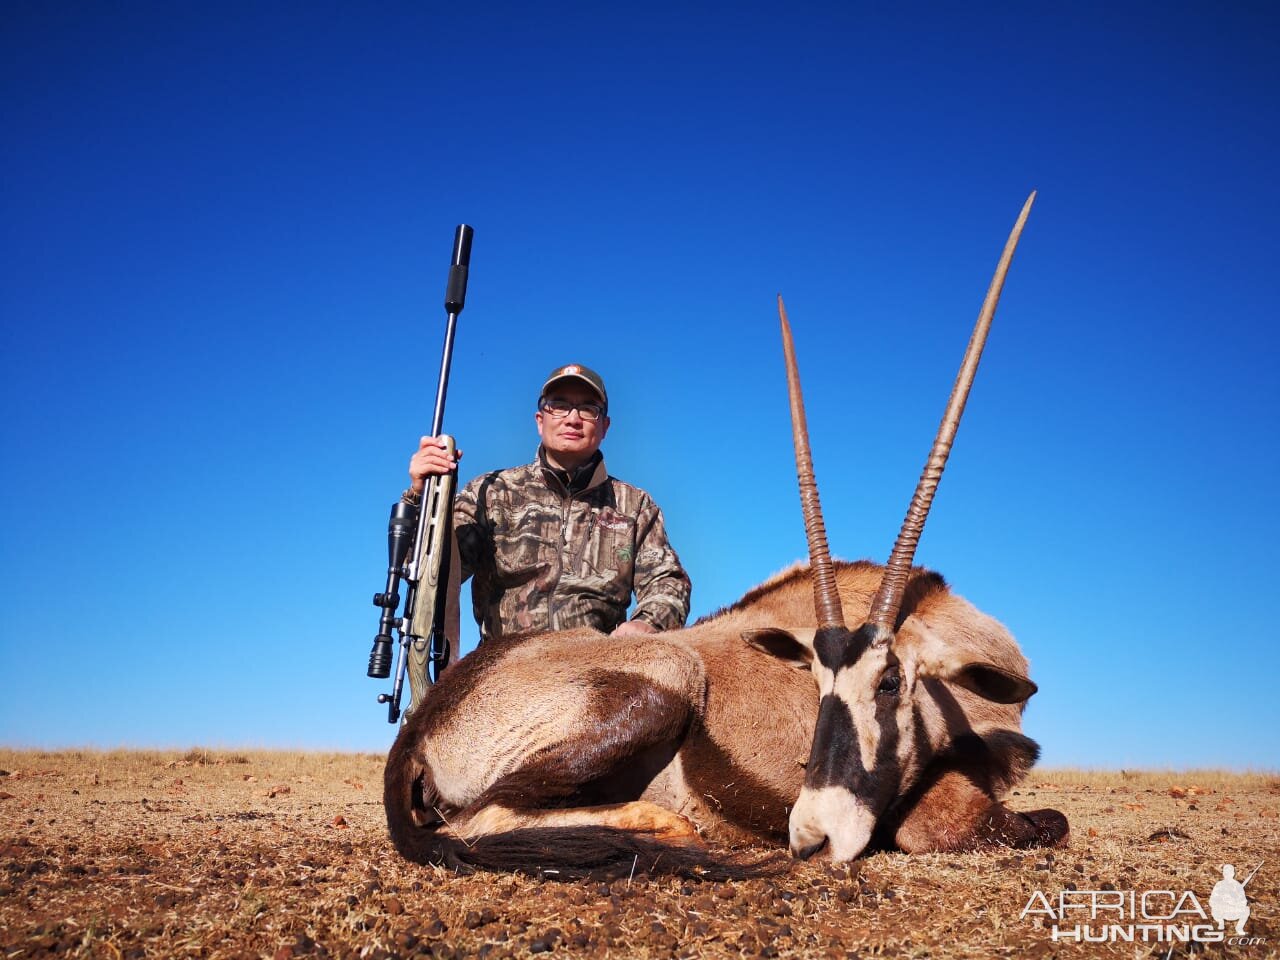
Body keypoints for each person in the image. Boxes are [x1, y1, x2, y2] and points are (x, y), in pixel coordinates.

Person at [405, 363, 691, 642]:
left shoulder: (635, 505)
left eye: (588, 409)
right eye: (560, 405)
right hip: (504, 668)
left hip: (597, 666)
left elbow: (667, 582)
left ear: (604, 427)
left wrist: (647, 623)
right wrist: (421, 497)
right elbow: (430, 573)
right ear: (540, 420)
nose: (573, 419)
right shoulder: (491, 492)